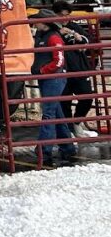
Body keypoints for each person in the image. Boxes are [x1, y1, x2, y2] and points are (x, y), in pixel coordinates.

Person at [29, 10, 77, 165]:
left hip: (53, 77)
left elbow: (58, 61)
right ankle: (67, 147)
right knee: (56, 112)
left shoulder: (53, 37)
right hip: (49, 77)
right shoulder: (43, 36)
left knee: (48, 113)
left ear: (44, 22)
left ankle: (44, 150)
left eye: (37, 20)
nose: (35, 22)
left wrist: (43, 70)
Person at [51, 1, 98, 138]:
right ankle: (69, 130)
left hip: (80, 68)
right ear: (55, 14)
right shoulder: (51, 29)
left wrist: (79, 38)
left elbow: (88, 40)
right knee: (64, 101)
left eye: (67, 15)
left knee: (87, 96)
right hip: (62, 70)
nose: (64, 18)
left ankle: (77, 123)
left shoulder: (74, 26)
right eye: (61, 15)